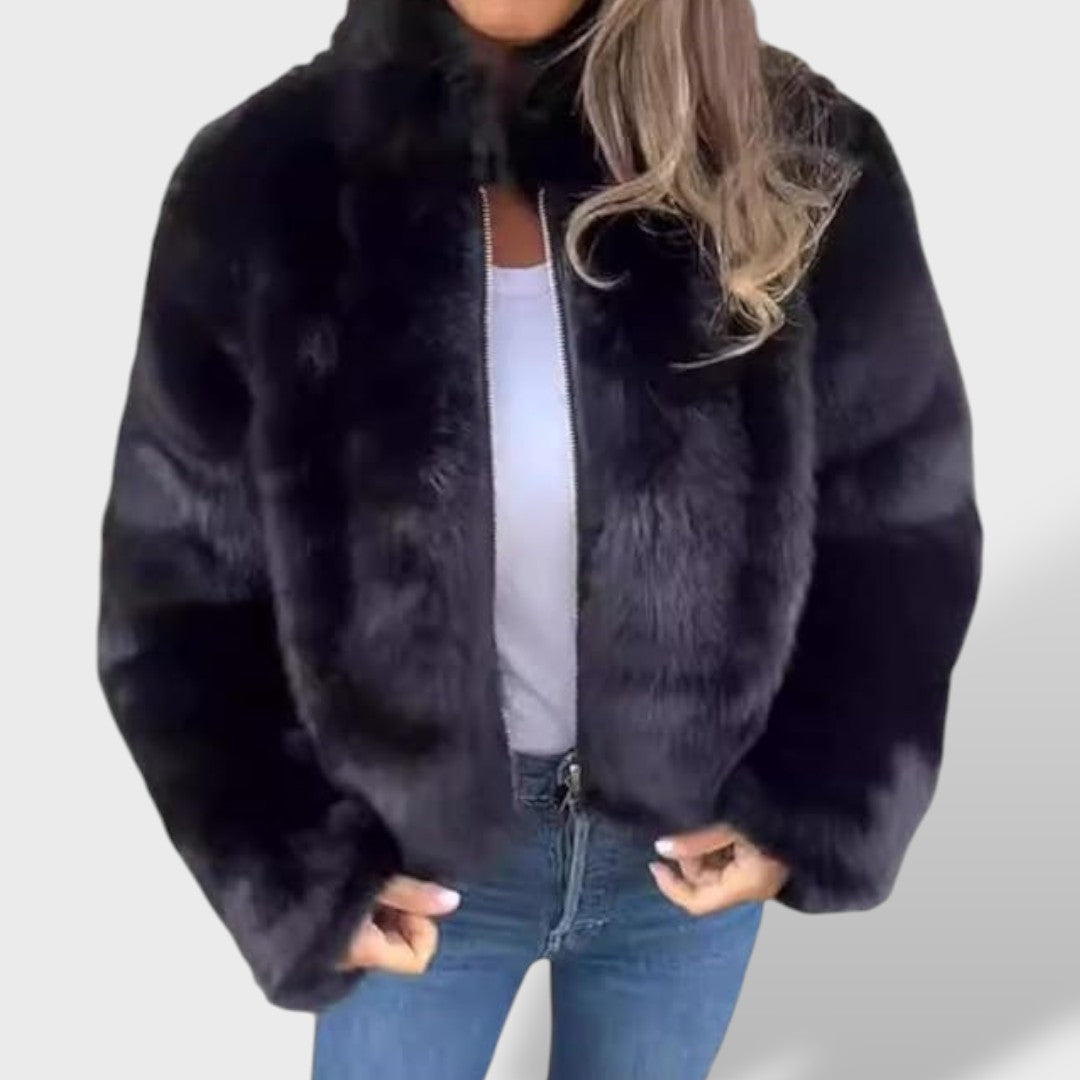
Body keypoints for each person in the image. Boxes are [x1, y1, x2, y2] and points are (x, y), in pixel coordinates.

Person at [95, 0, 983, 1076]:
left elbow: (898, 518)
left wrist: (815, 794)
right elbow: (176, 591)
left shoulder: (797, 151)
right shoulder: (264, 182)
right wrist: (293, 866)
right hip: (414, 871)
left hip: (685, 865)